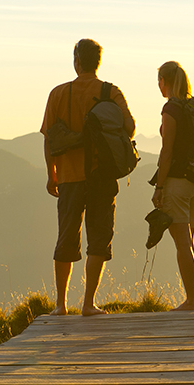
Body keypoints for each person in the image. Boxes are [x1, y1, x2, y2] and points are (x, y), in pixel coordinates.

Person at [40, 38, 135, 316]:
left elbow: (49, 138)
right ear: (98, 62)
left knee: (67, 235)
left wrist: (51, 174)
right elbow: (129, 127)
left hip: (69, 176)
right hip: (102, 174)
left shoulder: (58, 93)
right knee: (99, 236)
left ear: (76, 61)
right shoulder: (110, 92)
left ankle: (60, 305)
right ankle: (88, 303)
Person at [151, 60, 194, 311]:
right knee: (189, 242)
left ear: (165, 82)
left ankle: (192, 301)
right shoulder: (193, 109)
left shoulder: (171, 110)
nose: (158, 85)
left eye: (159, 81)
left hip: (176, 183)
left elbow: (167, 151)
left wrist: (159, 186)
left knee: (183, 244)